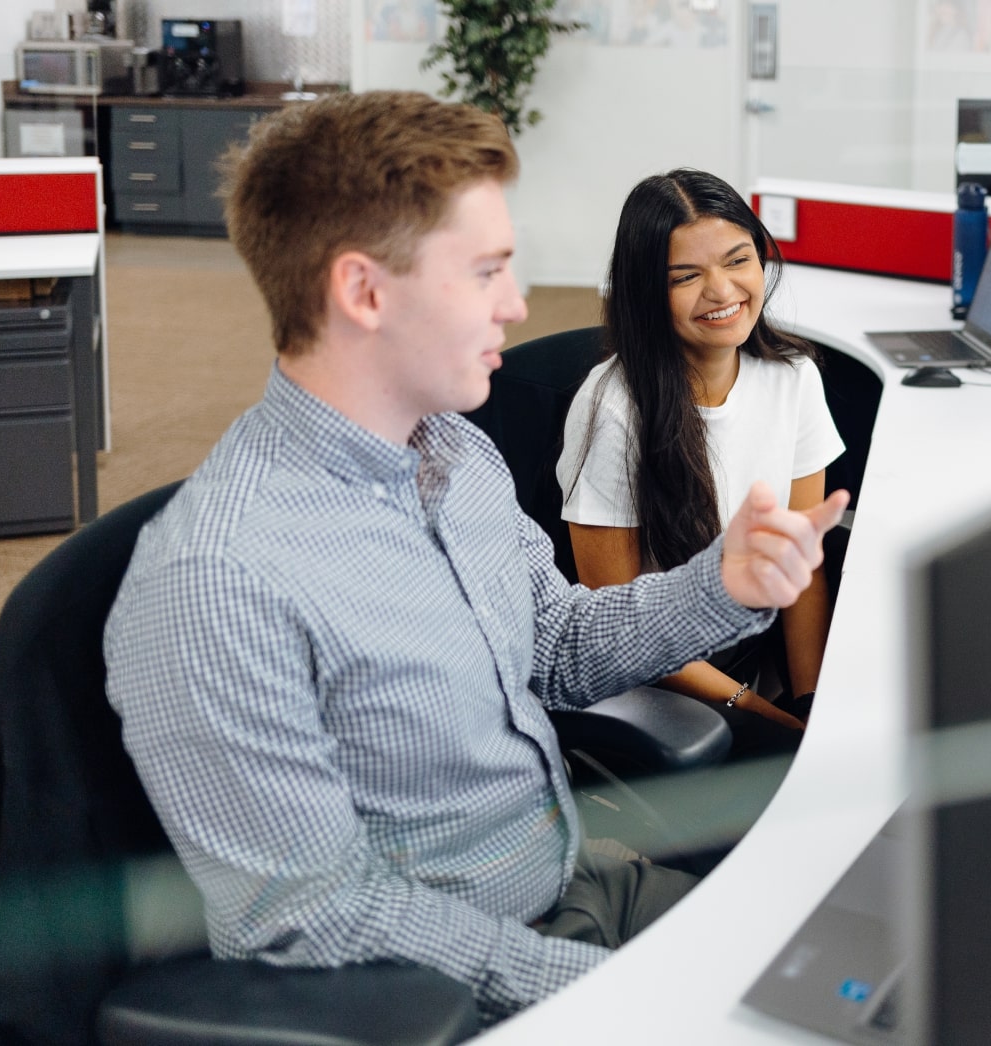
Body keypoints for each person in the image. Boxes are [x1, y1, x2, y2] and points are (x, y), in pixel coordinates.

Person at [103, 91, 848, 1023]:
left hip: (568, 884)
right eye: (485, 272)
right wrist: (608, 994)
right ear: (363, 291)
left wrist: (721, 586)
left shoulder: (454, 454)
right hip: (453, 991)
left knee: (864, 968)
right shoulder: (218, 579)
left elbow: (560, 644)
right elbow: (317, 915)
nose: (519, 304)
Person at [557, 169, 846, 754]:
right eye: (686, 276)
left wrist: (810, 702)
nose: (722, 291)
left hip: (750, 648)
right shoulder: (614, 409)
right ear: (645, 292)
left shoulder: (794, 378)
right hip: (658, 678)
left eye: (738, 260)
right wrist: (760, 711)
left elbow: (802, 569)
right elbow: (615, 627)